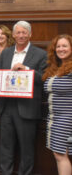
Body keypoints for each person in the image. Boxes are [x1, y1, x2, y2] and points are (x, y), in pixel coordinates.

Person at [0, 21, 47, 175]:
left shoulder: (40, 54)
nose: (21, 35)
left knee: (26, 149)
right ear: (13, 35)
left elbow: (44, 79)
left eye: (24, 32)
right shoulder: (5, 53)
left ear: (30, 34)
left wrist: (27, 70)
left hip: (27, 108)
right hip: (7, 107)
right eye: (18, 32)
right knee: (5, 148)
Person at [42, 34, 72, 175]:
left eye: (64, 46)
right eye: (58, 46)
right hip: (54, 119)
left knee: (61, 155)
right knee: (59, 155)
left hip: (67, 119)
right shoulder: (55, 68)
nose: (61, 49)